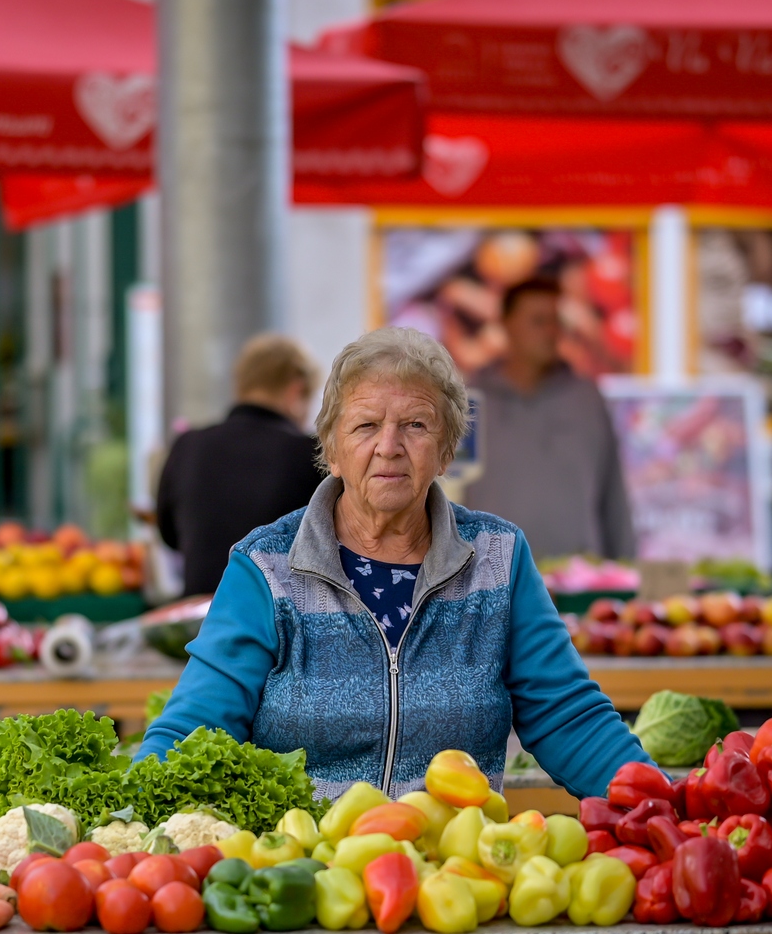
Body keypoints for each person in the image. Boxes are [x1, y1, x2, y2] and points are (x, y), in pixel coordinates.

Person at [139, 327, 648, 798]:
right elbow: (191, 731)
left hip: (456, 862)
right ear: (332, 450)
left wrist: (659, 802)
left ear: (446, 451)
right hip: (304, 860)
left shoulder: (498, 559)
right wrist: (132, 819)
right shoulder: (266, 567)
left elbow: (568, 717)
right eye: (365, 425)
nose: (389, 447)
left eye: (415, 425)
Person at [463, 277, 637, 560]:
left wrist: (626, 568)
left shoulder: (586, 400)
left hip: (577, 574)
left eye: (556, 321)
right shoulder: (469, 402)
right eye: (538, 321)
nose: (551, 331)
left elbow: (613, 496)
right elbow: (448, 496)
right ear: (506, 324)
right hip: (490, 575)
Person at [155, 335, 325, 596]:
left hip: (199, 615)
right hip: (273, 616)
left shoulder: (188, 445)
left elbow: (169, 536)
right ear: (296, 390)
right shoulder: (310, 453)